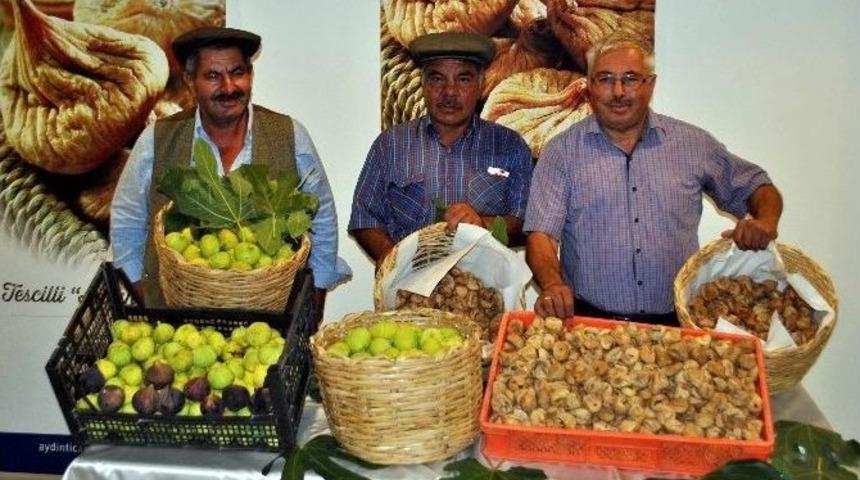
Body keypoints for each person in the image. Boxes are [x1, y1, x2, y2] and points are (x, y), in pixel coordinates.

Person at [524, 30, 782, 325]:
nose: (619, 91)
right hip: (589, 325)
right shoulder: (562, 151)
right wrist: (553, 284)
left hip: (679, 323)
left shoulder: (692, 144)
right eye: (605, 79)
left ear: (651, 85)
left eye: (631, 78)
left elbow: (756, 185)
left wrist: (766, 221)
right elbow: (541, 235)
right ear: (590, 86)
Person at [110, 26, 351, 317]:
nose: (228, 87)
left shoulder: (289, 134)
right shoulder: (156, 139)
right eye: (213, 76)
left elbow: (322, 217)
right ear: (189, 81)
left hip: (271, 326)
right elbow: (127, 225)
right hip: (180, 329)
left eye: (238, 73)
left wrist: (312, 306)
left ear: (251, 75)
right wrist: (150, 300)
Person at [348, 32, 533, 266]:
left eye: (463, 79)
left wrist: (483, 224)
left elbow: (525, 222)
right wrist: (394, 260)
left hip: (483, 287)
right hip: (407, 286)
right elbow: (364, 217)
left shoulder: (511, 146)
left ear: (481, 84)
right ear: (423, 84)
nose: (449, 92)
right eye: (437, 79)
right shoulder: (390, 145)